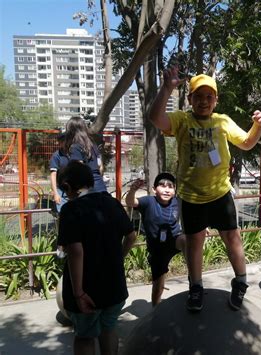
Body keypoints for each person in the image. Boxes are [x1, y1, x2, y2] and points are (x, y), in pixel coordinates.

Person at [148, 67, 261, 312]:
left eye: (208, 96)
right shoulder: (182, 120)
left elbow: (246, 143)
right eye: (198, 96)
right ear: (190, 99)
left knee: (232, 238)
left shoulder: (222, 121)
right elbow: (155, 118)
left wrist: (258, 126)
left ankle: (241, 282)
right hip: (192, 198)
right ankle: (195, 287)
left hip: (220, 194)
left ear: (216, 100)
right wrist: (167, 88)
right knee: (194, 243)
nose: (203, 101)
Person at [57, 161, 136, 355]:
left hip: (87, 289)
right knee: (109, 329)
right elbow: (132, 236)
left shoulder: (71, 209)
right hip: (114, 285)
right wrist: (119, 258)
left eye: (63, 190)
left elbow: (75, 250)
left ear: (67, 186)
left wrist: (78, 294)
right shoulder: (112, 202)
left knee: (85, 337)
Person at [125, 172, 186, 306]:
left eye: (170, 186)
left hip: (174, 240)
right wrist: (133, 190)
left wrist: (202, 227)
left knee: (187, 241)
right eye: (162, 186)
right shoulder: (148, 201)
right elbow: (130, 202)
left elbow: (192, 215)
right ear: (154, 189)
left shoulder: (178, 202)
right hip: (157, 248)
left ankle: (194, 282)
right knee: (158, 283)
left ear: (174, 190)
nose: (166, 189)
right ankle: (155, 307)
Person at [64, 116, 107, 193]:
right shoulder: (92, 146)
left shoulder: (75, 147)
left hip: (87, 190)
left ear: (70, 132)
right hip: (101, 187)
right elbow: (100, 167)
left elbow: (78, 170)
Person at [49, 132, 69, 215]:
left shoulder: (75, 153)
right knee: (63, 214)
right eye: (61, 141)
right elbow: (53, 174)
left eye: (65, 140)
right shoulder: (56, 156)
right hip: (61, 190)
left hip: (74, 189)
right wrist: (56, 193)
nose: (64, 143)